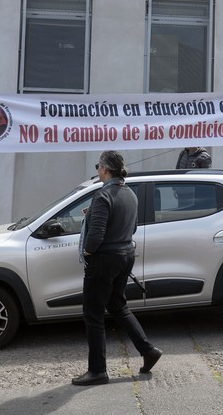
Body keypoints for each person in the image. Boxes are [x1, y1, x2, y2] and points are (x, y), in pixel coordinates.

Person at [72, 150, 162, 386]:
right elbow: (130, 228)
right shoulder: (129, 194)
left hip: (104, 260)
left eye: (98, 167)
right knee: (117, 305)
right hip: (125, 255)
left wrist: (87, 251)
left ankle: (97, 371)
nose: (97, 171)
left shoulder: (103, 196)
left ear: (104, 169)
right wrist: (94, 217)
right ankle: (148, 350)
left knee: (93, 314)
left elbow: (96, 236)